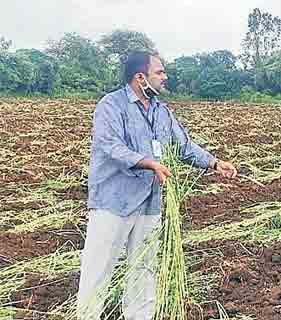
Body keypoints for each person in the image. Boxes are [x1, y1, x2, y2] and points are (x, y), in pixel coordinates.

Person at [77, 51, 237, 320]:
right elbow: (110, 145)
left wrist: (213, 162)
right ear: (140, 78)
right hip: (114, 202)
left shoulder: (162, 112)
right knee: (99, 268)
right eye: (159, 72)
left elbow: (182, 146)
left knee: (144, 268)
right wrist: (148, 163)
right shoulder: (111, 105)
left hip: (150, 201)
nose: (165, 77)